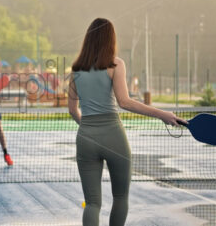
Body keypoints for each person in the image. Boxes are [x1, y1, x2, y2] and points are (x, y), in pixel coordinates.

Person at [68, 18, 186, 226]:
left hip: (85, 137)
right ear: (110, 39)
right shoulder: (115, 64)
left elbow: (72, 110)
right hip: (113, 135)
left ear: (87, 39)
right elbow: (125, 102)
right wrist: (163, 114)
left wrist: (88, 129)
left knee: (92, 203)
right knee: (120, 197)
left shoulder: (75, 70)